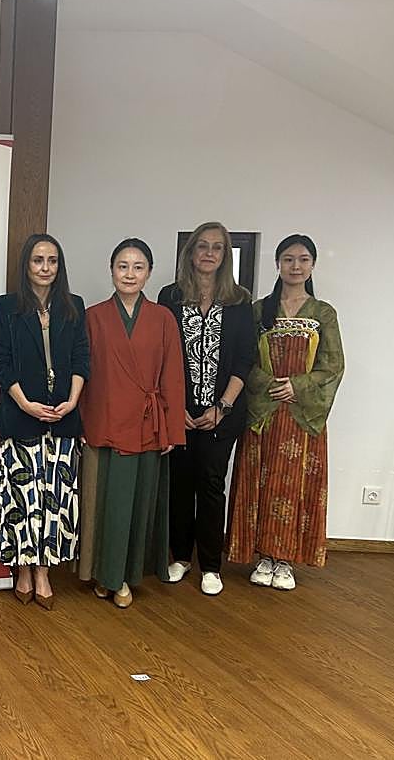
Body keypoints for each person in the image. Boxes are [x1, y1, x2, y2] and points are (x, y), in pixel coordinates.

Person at [226, 234, 344, 591]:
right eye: (289, 259)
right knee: (260, 481)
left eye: (303, 259)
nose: (296, 266)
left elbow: (333, 365)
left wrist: (298, 386)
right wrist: (268, 384)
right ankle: (262, 556)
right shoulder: (259, 310)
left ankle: (286, 560)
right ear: (277, 263)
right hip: (264, 412)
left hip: (302, 415)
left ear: (312, 265)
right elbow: (244, 359)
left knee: (295, 485)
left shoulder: (323, 313)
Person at [77, 238, 186, 609]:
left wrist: (172, 427)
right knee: (104, 503)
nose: (129, 273)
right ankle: (102, 573)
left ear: (150, 273)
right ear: (111, 271)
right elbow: (83, 373)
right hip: (104, 420)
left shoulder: (163, 318)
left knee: (135, 504)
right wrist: (80, 421)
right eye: (122, 266)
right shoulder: (93, 316)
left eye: (138, 267)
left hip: (146, 425)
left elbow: (173, 375)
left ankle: (122, 577)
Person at [0, 234, 89, 610]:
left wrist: (73, 400)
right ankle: (23, 568)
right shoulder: (6, 307)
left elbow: (82, 358)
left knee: (54, 498)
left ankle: (44, 570)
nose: (46, 268)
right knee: (22, 497)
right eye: (38, 261)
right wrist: (25, 404)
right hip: (21, 417)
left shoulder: (73, 306)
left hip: (63, 420)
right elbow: (0, 361)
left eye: (52, 261)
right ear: (26, 265)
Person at [157, 223, 254, 596]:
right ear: (191, 253)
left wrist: (223, 406)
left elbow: (245, 359)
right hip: (179, 410)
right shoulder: (170, 296)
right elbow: (162, 355)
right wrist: (174, 406)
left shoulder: (240, 301)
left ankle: (211, 565)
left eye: (217, 247)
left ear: (225, 255)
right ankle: (180, 557)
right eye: (202, 246)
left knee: (212, 484)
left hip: (222, 412)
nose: (209, 253)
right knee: (179, 484)